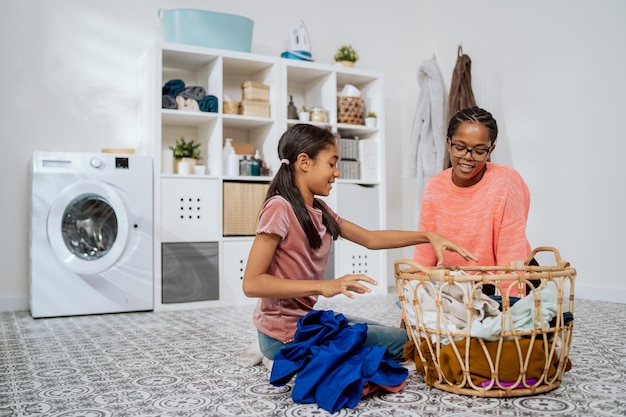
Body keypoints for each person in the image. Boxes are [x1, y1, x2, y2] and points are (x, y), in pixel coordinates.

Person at [242, 123, 476, 363]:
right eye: (331, 164)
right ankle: (274, 354)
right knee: (407, 343)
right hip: (285, 337)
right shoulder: (279, 207)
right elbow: (252, 283)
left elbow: (370, 238)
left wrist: (428, 236)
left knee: (393, 333)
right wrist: (323, 286)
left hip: (305, 321)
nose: (337, 172)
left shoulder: (319, 210)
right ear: (304, 162)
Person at [413, 106, 532, 295]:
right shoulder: (434, 186)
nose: (468, 158)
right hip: (458, 285)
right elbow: (425, 253)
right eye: (460, 147)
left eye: (479, 151)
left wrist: (513, 311)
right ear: (448, 143)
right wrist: (410, 308)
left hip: (508, 279)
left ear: (490, 150)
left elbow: (512, 258)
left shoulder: (505, 183)